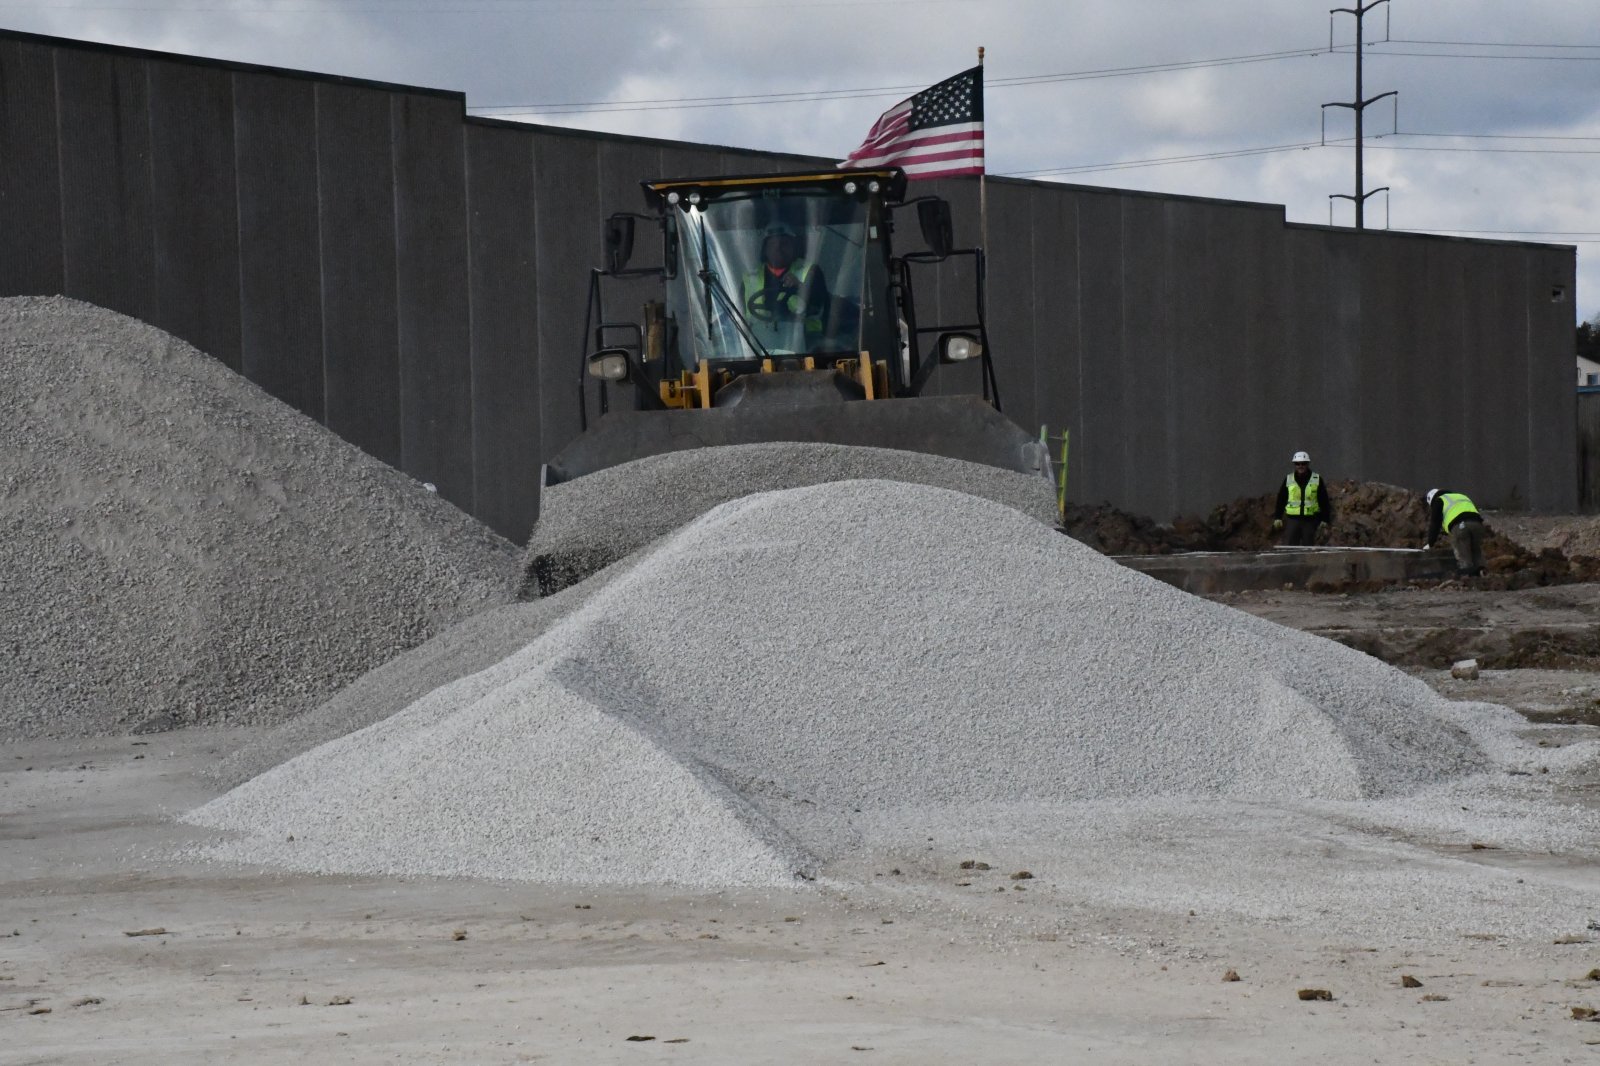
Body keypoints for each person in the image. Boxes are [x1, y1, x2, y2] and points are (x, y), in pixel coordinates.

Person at [741, 223, 829, 353]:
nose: (778, 249)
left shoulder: (810, 271)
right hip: (759, 347)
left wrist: (800, 287)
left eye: (784, 243)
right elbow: (736, 313)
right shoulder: (749, 278)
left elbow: (821, 305)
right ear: (765, 249)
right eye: (773, 244)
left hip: (807, 345)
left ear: (794, 247)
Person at [1272, 450, 1333, 545]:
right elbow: (1281, 499)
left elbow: (1323, 500)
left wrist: (1325, 519)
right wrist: (1278, 517)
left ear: (1307, 464)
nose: (1300, 466)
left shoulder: (1316, 479)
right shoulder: (1289, 479)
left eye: (1303, 464)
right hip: (1293, 520)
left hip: (1310, 520)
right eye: (1297, 464)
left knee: (1308, 547)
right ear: (1294, 465)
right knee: (1291, 547)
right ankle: (1292, 560)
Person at [1424, 488, 1486, 577]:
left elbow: (1435, 523)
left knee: (1463, 555)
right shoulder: (1461, 496)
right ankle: (1481, 576)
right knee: (1476, 552)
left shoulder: (1439, 500)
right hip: (1478, 525)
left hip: (1460, 526)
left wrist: (1430, 543)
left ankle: (1467, 579)